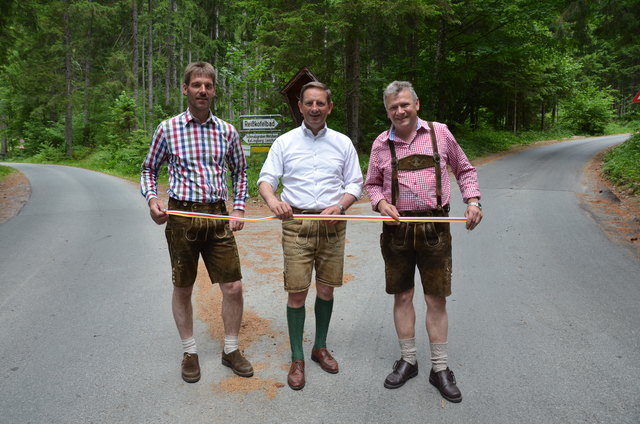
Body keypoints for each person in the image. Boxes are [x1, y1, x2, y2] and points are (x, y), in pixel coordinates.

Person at [365, 81, 482, 403]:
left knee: (436, 299)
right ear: (387, 111)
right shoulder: (379, 144)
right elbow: (372, 184)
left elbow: (465, 170)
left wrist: (473, 201)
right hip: (396, 229)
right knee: (402, 296)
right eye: (393, 107)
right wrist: (380, 204)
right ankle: (409, 360)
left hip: (436, 227)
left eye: (404, 104)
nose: (399, 111)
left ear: (416, 103)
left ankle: (440, 368)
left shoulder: (440, 133)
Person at [140, 61, 253, 384]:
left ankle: (230, 349)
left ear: (214, 90)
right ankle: (190, 352)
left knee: (233, 286)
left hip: (217, 216)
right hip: (181, 217)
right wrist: (152, 200)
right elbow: (149, 168)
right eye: (196, 85)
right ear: (185, 88)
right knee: (183, 286)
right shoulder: (168, 128)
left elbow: (240, 171)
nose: (202, 90)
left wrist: (239, 208)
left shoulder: (227, 131)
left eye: (208, 85)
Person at [258, 81, 363, 390]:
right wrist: (274, 201)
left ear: (329, 107)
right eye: (309, 103)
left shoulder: (343, 143)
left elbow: (356, 182)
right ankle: (297, 357)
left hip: (333, 225)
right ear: (300, 106)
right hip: (297, 224)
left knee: (327, 290)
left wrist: (341, 205)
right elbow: (266, 179)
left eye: (321, 103)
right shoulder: (284, 143)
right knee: (297, 292)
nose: (315, 108)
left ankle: (320, 347)